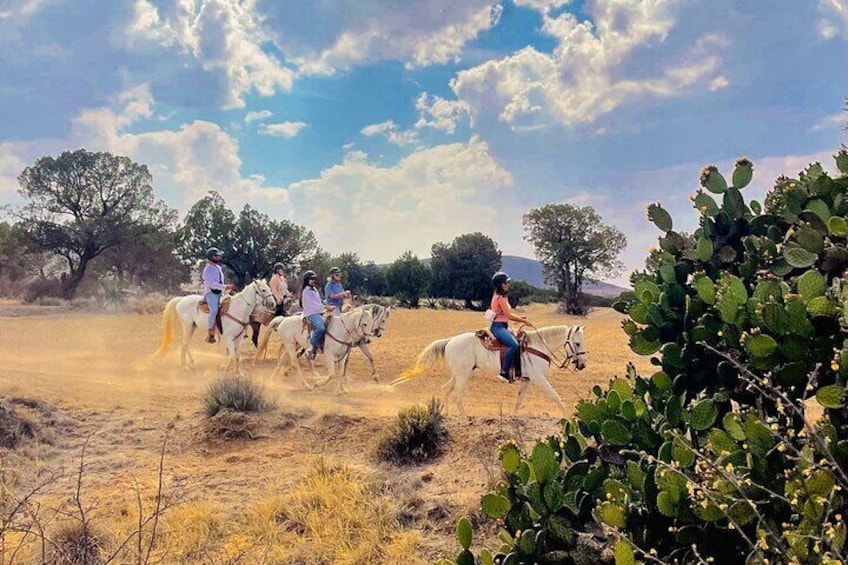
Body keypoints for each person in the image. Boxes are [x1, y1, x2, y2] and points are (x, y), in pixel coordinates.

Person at [490, 271, 534, 383]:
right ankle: (503, 372)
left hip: (503, 326)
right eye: (506, 283)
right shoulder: (500, 298)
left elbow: (506, 314)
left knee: (518, 343)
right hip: (498, 327)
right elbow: (509, 315)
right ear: (500, 284)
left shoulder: (500, 296)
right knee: (514, 345)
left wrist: (519, 317)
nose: (507, 285)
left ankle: (517, 373)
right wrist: (523, 321)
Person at [300, 270, 334, 359]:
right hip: (311, 312)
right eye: (311, 279)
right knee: (320, 328)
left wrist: (326, 305)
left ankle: (322, 345)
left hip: (318, 311)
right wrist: (326, 307)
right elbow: (313, 304)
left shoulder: (314, 289)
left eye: (314, 279)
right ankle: (311, 345)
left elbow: (319, 301)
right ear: (307, 280)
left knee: (329, 324)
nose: (313, 281)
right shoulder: (306, 291)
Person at [202, 247, 233, 343]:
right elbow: (210, 283)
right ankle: (210, 332)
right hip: (211, 293)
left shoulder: (218, 268)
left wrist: (224, 289)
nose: (219, 257)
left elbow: (220, 281)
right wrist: (224, 287)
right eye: (217, 256)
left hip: (220, 293)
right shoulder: (208, 269)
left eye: (218, 256)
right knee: (214, 310)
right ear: (211, 257)